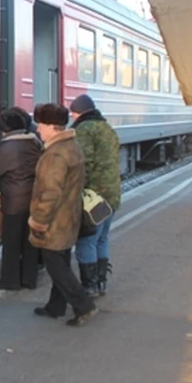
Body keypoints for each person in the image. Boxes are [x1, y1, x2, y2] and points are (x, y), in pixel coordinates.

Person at [27, 103, 96, 326]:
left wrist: (38, 221)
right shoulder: (71, 145)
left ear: (51, 126)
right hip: (68, 217)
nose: (38, 129)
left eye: (41, 125)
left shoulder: (55, 154)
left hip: (55, 221)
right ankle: (55, 307)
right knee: (61, 262)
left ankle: (83, 305)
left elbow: (49, 193)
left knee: (56, 266)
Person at [69, 94, 122, 297]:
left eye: (73, 114)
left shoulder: (84, 130)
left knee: (87, 240)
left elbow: (85, 164)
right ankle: (101, 282)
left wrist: (74, 192)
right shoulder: (107, 129)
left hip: (93, 197)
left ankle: (89, 286)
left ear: (78, 113)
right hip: (112, 194)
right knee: (102, 239)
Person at [0, 107, 42, 290]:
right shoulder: (34, 142)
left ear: (4, 129)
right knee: (30, 240)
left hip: (14, 201)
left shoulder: (8, 147)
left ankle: (10, 280)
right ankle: (29, 278)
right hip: (33, 197)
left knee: (11, 242)